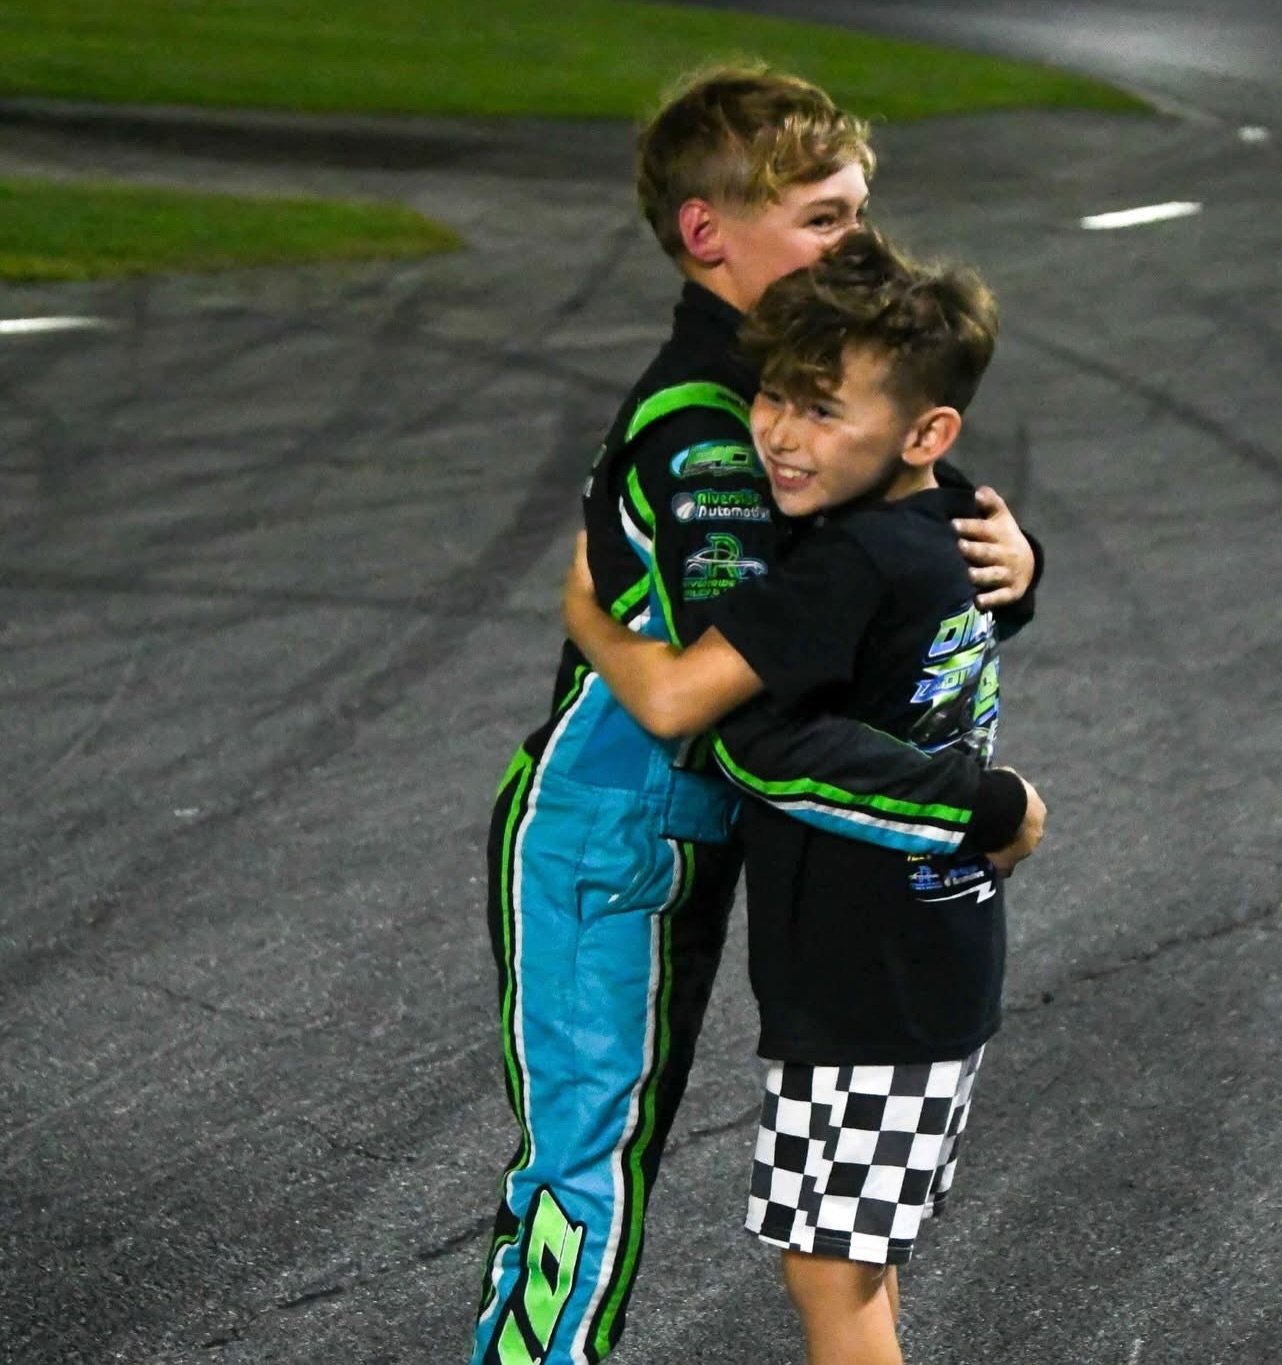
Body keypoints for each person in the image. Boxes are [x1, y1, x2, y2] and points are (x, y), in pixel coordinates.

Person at [470, 66, 1042, 1365]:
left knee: (801, 1236)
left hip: (711, 828)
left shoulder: (803, 378)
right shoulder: (705, 429)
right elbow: (734, 714)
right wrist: (985, 804)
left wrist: (1018, 565)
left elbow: (913, 567)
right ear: (708, 237)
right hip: (607, 830)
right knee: (586, 1181)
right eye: (824, 217)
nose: (861, 239)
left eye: (857, 210)